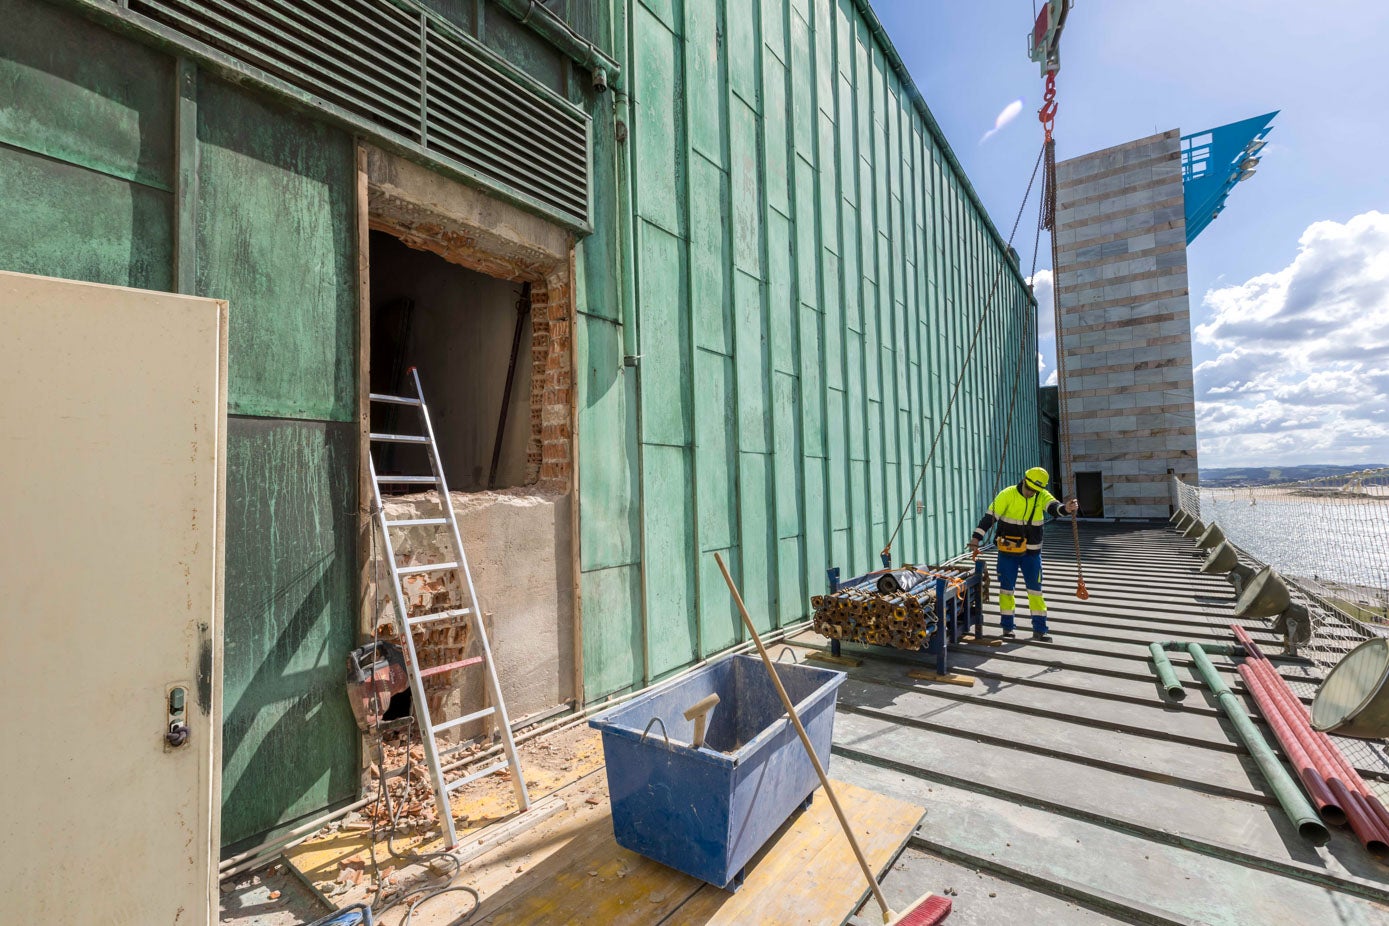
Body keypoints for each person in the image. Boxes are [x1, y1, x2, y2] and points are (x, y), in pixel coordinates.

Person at [967, 466, 1078, 641]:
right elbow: (989, 518)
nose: (1031, 493)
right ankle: (1007, 628)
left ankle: (1040, 629)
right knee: (1006, 590)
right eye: (1030, 489)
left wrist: (1067, 508)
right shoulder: (1007, 494)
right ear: (1024, 480)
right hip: (1007, 553)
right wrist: (975, 539)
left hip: (1032, 554)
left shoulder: (1041, 495)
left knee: (1036, 592)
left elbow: (1054, 507)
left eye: (1035, 491)